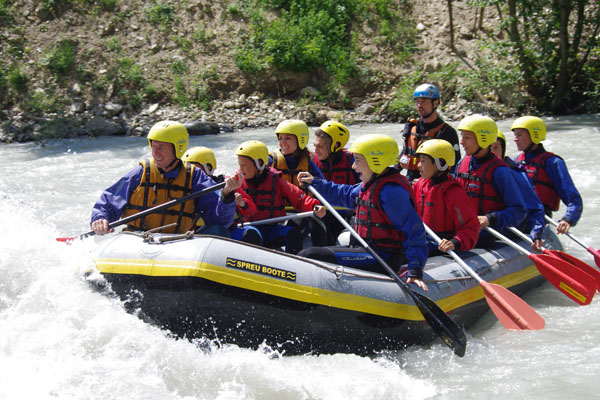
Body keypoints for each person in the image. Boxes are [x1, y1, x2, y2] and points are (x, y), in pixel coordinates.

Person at [298, 134, 428, 291]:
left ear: (376, 162)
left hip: (382, 257)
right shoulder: (369, 185)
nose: (354, 166)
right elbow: (343, 193)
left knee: (309, 255)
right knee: (306, 255)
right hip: (364, 250)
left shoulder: (391, 192)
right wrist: (315, 183)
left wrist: (415, 270)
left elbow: (414, 232)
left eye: (358, 160)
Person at [90, 120, 240, 235]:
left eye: (161, 147)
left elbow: (219, 220)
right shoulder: (140, 174)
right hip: (137, 238)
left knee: (218, 231)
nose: (155, 152)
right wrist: (100, 218)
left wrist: (226, 196)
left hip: (175, 242)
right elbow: (109, 199)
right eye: (153, 146)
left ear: (178, 149)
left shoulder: (195, 177)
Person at [231, 140, 326, 254]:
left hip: (271, 229)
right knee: (251, 235)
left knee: (293, 233)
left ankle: (294, 266)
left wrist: (315, 205)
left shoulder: (276, 181)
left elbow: (298, 197)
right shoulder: (236, 182)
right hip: (249, 228)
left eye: (245, 165)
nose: (241, 169)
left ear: (260, 164)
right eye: (239, 164)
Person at [454, 115, 527, 246]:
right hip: (462, 230)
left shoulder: (500, 172)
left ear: (483, 139)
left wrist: (489, 219)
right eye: (462, 137)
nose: (461, 142)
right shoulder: (462, 163)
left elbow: (519, 211)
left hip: (488, 235)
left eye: (467, 137)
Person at [512, 116, 583, 234]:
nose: (515, 139)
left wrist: (568, 219)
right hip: (517, 216)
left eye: (519, 135)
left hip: (539, 219)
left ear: (534, 135)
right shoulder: (517, 160)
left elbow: (574, 199)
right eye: (515, 135)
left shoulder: (553, 163)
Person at [413, 139, 479, 254]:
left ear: (440, 164)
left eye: (423, 161)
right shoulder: (419, 185)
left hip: (439, 243)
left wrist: (455, 242)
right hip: (423, 239)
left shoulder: (453, 192)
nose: (418, 165)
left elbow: (471, 226)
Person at [270, 119, 327, 245]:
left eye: (288, 138)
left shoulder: (308, 162)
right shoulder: (271, 160)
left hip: (302, 210)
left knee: (314, 218)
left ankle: (323, 253)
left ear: (300, 140)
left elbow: (324, 186)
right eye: (280, 138)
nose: (282, 143)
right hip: (276, 213)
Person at [490, 130, 545, 249]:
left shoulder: (515, 173)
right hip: (484, 229)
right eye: (489, 147)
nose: (492, 152)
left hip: (508, 229)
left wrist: (536, 234)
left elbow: (535, 208)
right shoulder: (468, 170)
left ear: (503, 150)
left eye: (496, 147)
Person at [398, 83, 461, 181]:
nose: (419, 105)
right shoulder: (412, 127)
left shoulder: (447, 132)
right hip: (410, 183)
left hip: (432, 186)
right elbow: (403, 156)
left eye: (423, 102)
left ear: (435, 103)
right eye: (417, 102)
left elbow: (454, 166)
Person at [312, 120, 360, 245]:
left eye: (320, 146)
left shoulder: (353, 160)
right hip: (323, 212)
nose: (316, 150)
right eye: (314, 145)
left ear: (336, 145)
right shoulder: (311, 161)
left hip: (347, 214)